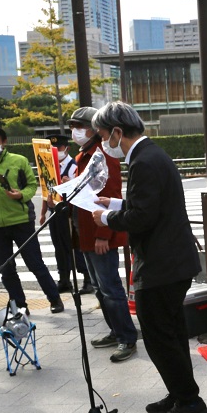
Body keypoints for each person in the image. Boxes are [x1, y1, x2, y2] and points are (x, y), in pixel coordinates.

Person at [90, 103, 207, 413]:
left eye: (102, 135)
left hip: (161, 264)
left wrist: (106, 217)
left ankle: (189, 401)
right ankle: (181, 392)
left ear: (116, 132)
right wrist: (114, 203)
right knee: (171, 332)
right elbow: (149, 203)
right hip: (171, 260)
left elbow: (143, 217)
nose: (103, 143)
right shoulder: (152, 155)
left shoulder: (143, 162)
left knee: (158, 336)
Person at [68, 107, 139, 363]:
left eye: (81, 126)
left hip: (98, 233)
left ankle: (127, 337)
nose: (76, 131)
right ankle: (115, 330)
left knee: (110, 288)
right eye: (73, 126)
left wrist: (103, 234)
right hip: (84, 231)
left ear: (96, 130)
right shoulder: (82, 156)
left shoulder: (102, 155)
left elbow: (109, 196)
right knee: (99, 287)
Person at [0, 124, 64, 315]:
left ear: (3, 142)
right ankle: (19, 305)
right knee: (6, 269)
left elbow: (32, 186)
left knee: (35, 263)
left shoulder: (19, 161)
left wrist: (20, 195)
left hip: (21, 220)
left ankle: (54, 298)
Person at [39, 133, 93, 295]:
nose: (55, 151)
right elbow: (45, 190)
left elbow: (84, 190)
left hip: (71, 213)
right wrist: (42, 213)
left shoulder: (74, 166)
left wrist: (69, 185)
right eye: (51, 148)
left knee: (76, 247)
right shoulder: (48, 167)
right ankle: (64, 280)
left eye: (58, 148)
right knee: (59, 248)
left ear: (66, 148)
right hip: (55, 212)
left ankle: (87, 279)